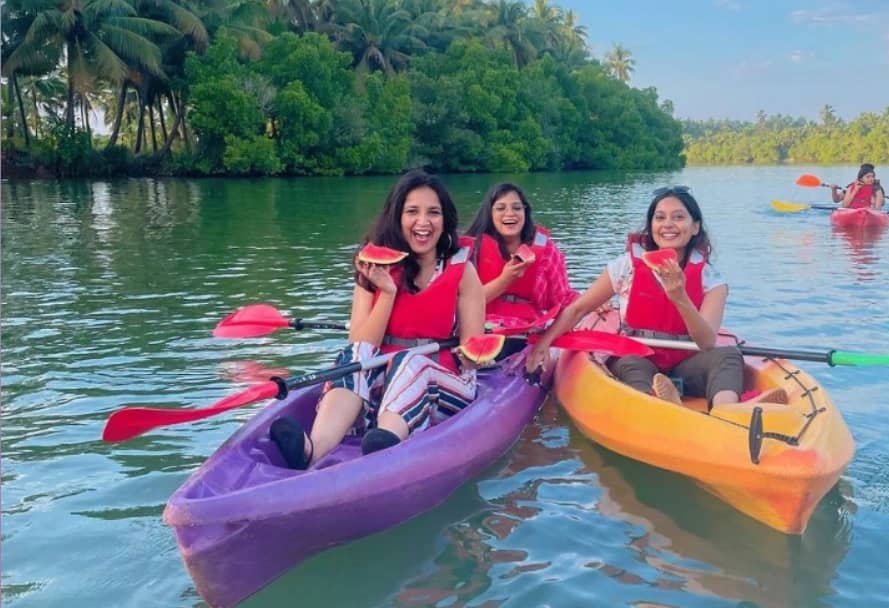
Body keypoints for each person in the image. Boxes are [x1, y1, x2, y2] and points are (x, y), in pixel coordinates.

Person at [269, 170, 485, 469]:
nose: (423, 222)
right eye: (412, 212)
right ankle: (313, 450)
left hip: (443, 382)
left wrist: (474, 354)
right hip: (383, 380)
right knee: (355, 353)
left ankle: (386, 442)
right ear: (397, 218)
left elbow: (472, 351)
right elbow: (361, 341)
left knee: (413, 362)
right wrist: (386, 292)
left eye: (433, 213)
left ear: (445, 220)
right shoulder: (372, 266)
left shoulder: (464, 272)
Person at [525, 186, 784, 410]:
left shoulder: (712, 279)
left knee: (727, 356)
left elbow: (706, 341)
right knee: (632, 366)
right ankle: (658, 406)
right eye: (660, 218)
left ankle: (730, 415)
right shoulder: (626, 267)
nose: (668, 224)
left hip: (687, 360)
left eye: (679, 217)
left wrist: (679, 296)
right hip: (637, 354)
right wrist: (544, 344)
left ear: (695, 227)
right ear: (651, 227)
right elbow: (578, 309)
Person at [462, 182, 576, 330]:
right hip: (480, 329)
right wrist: (504, 281)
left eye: (516, 208)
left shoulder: (547, 250)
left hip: (529, 331)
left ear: (525, 212)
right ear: (489, 214)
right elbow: (458, 305)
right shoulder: (471, 251)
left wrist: (592, 305)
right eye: (500, 208)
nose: (510, 213)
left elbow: (563, 299)